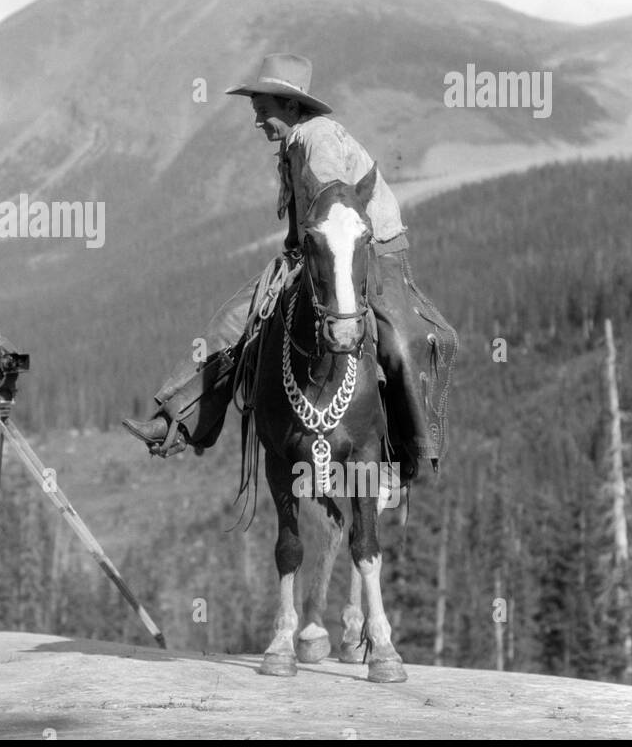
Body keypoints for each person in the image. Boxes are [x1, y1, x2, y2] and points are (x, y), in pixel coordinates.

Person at [122, 52, 456, 470]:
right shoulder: (296, 141)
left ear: (291, 106)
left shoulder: (316, 138)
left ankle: (403, 452)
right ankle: (176, 420)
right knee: (234, 321)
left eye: (263, 111)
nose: (257, 121)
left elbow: (335, 207)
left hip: (365, 254)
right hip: (314, 256)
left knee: (394, 341)